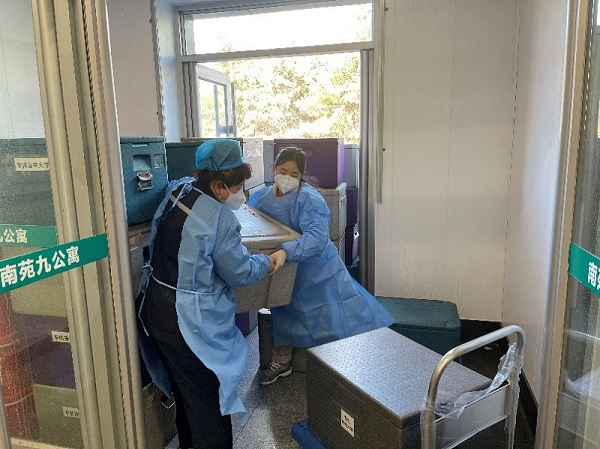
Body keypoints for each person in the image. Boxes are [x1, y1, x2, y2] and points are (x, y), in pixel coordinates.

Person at [135, 139, 286, 449]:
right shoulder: (220, 219)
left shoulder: (179, 190)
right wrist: (269, 262)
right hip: (186, 322)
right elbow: (240, 271)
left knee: (185, 391)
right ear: (218, 187)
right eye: (238, 187)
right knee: (209, 400)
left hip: (154, 306)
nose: (241, 194)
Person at [247, 146, 394, 386]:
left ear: (301, 176)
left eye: (294, 175)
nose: (287, 178)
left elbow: (316, 238)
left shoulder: (309, 198)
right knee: (284, 315)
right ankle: (281, 362)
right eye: (282, 171)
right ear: (273, 168)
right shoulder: (263, 196)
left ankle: (346, 366)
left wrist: (286, 251)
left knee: (332, 317)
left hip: (317, 271)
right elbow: (251, 220)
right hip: (285, 273)